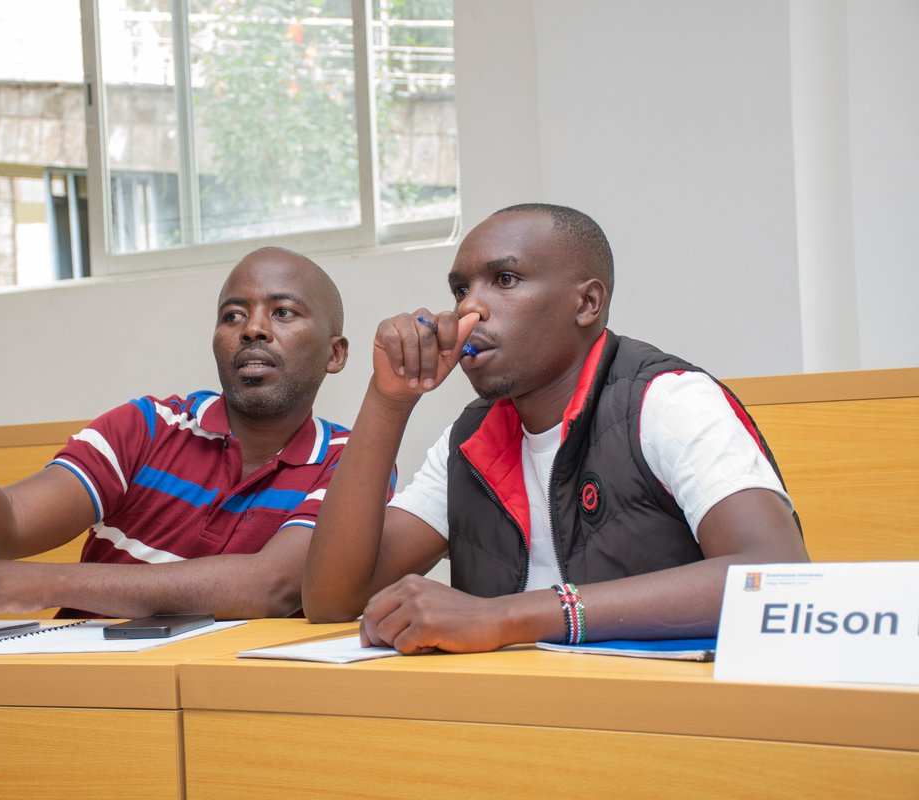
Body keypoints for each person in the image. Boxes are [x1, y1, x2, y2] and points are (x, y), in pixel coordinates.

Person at [302, 203, 808, 654]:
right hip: (523, 721)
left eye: (504, 280)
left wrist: (507, 616)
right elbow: (332, 598)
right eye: (460, 288)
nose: (467, 309)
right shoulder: (472, 439)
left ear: (586, 303)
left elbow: (775, 574)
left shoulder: (667, 401)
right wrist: (389, 400)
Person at [0, 246, 349, 641]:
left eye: (282, 312)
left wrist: (46, 582)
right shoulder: (147, 426)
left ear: (335, 353)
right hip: (91, 687)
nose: (252, 329)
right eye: (233, 315)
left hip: (224, 701)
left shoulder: (347, 460)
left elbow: (274, 586)